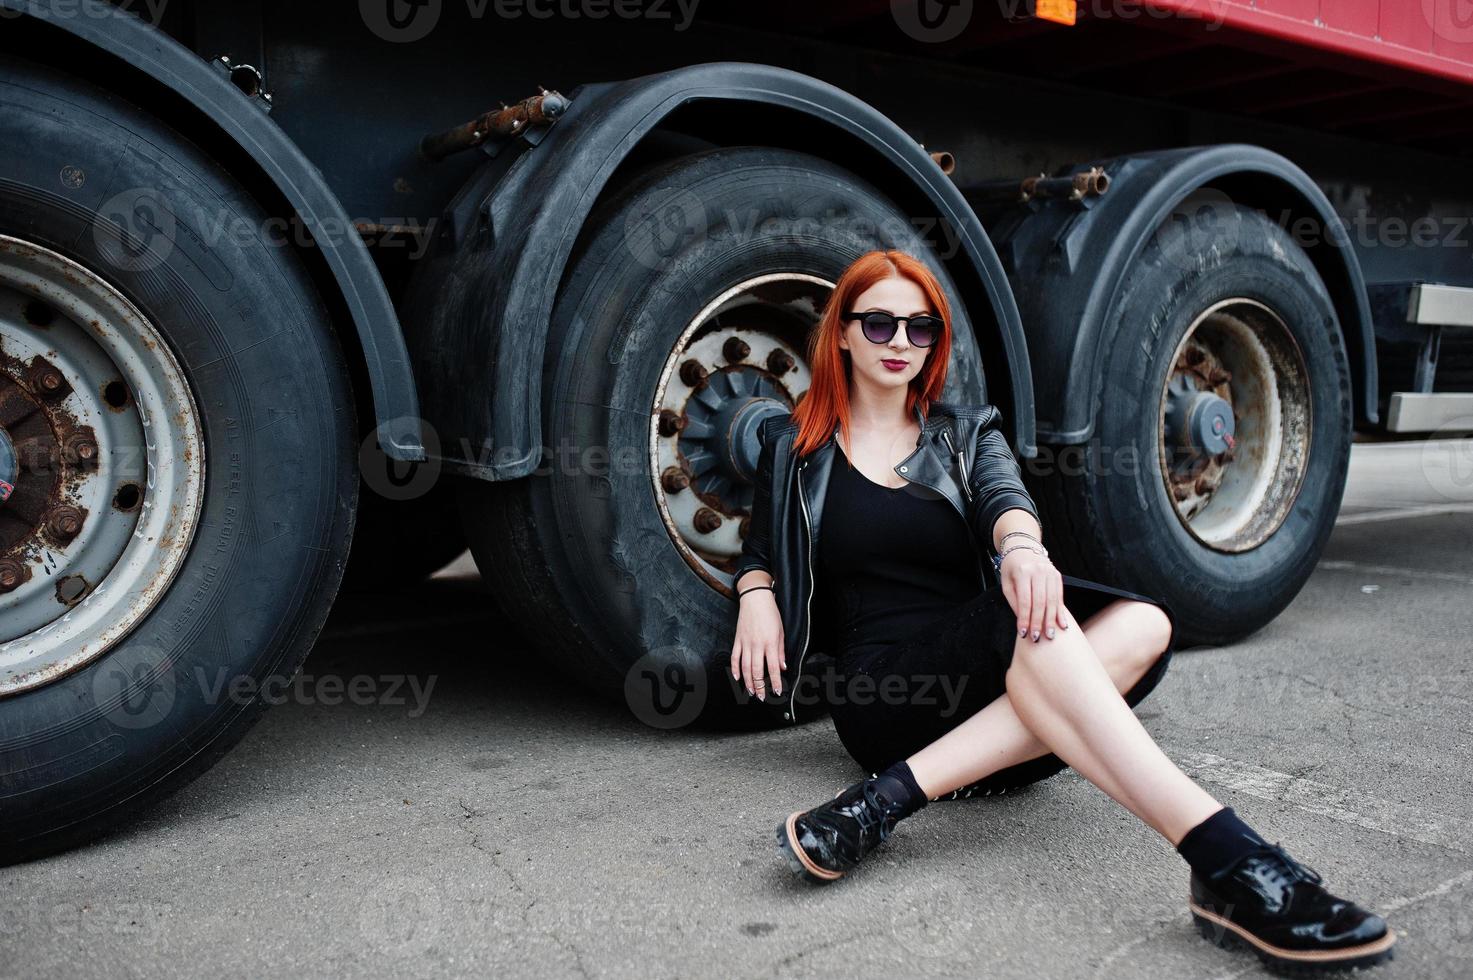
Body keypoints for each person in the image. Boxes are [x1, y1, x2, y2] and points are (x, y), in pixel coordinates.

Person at [729, 249, 1396, 974]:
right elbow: (760, 548)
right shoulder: (793, 449)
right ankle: (1227, 857)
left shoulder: (963, 431)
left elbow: (1003, 500)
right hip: (885, 695)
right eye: (880, 323)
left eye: (920, 329)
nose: (899, 343)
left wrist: (1022, 551)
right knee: (1030, 627)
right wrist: (756, 593)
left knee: (1146, 624)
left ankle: (882, 801)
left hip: (999, 697)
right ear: (843, 334)